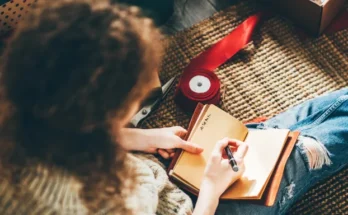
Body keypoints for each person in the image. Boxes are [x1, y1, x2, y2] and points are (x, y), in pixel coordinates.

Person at [0, 1, 347, 215]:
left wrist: (138, 138)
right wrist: (210, 189)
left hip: (161, 186)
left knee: (279, 137)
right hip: (200, 208)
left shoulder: (19, 122)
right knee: (304, 150)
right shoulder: (81, 204)